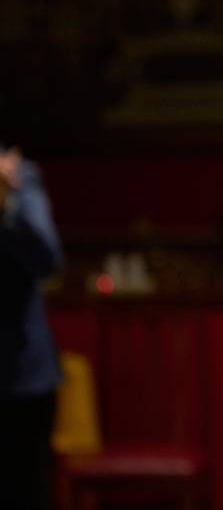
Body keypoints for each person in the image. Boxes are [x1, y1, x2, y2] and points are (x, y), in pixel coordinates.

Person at [0, 147, 64, 510]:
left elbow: (48, 260)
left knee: (25, 492)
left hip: (19, 376)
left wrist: (4, 206)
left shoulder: (19, 178)